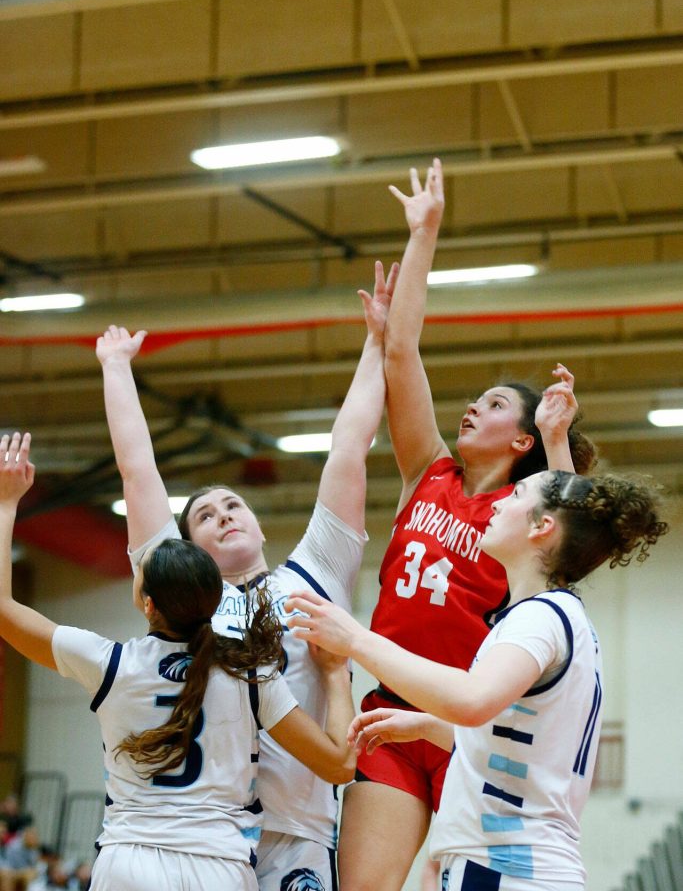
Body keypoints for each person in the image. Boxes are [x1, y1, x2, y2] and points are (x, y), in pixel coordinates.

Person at [335, 160, 598, 891]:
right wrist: (424, 234)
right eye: (473, 402)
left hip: (469, 727)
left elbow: (567, 537)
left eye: (490, 405)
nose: (470, 410)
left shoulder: (519, 521)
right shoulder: (428, 470)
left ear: (519, 440)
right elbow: (400, 352)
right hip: (390, 713)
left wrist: (555, 436)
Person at [95, 262, 397, 891]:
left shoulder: (316, 572)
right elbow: (138, 473)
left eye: (234, 504)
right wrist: (117, 369)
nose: (224, 513)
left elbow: (348, 446)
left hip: (298, 830)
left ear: (259, 526)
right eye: (204, 514)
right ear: (187, 545)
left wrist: (376, 344)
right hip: (202, 836)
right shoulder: (179, 593)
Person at [0, 432, 356, 891]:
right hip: (218, 867)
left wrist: (7, 503)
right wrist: (334, 676)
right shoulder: (250, 675)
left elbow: (5, 612)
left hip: (128, 863)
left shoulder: (110, 665)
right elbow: (340, 765)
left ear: (147, 604)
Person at [286, 468, 668, 890]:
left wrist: (356, 639)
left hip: (509, 870)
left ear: (542, 526)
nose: (500, 502)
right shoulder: (552, 616)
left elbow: (471, 700)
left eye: (517, 493)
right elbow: (524, 744)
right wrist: (429, 726)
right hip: (517, 868)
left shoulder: (539, 618)